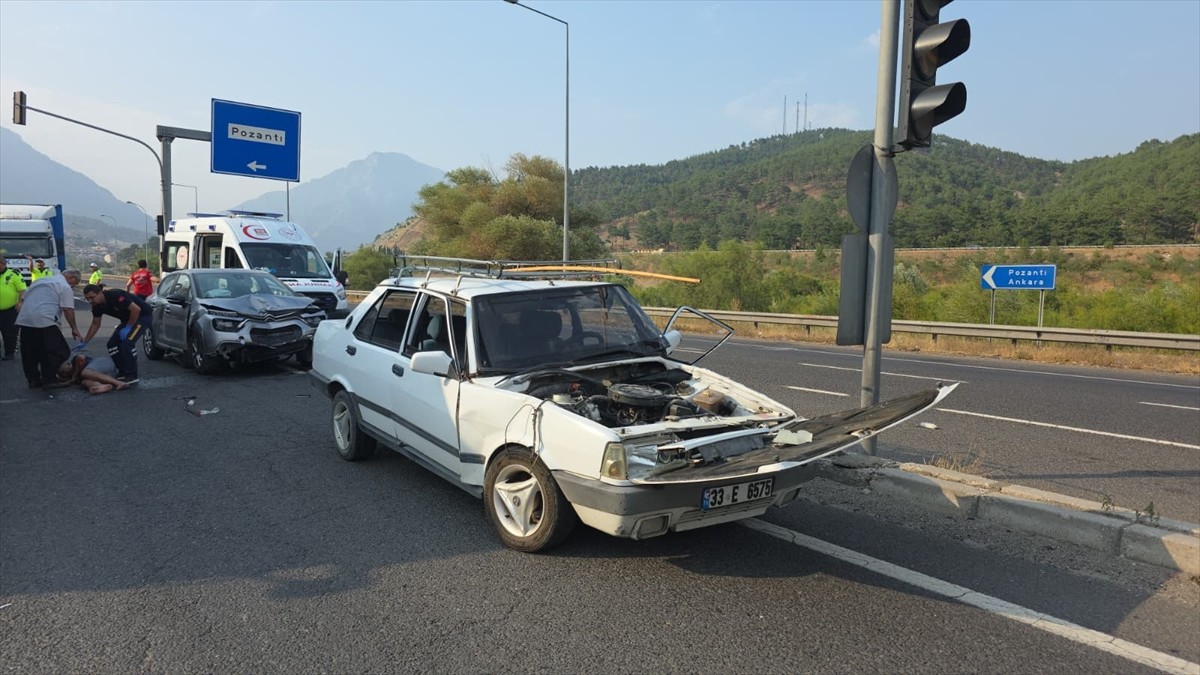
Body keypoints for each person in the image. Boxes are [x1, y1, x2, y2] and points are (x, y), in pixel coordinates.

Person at [15, 269, 83, 388]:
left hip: (25, 319)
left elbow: (23, 298)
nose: (73, 286)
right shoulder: (64, 286)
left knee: (29, 352)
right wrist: (74, 328)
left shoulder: (39, 281)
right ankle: (49, 379)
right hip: (46, 320)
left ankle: (33, 380)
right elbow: (68, 309)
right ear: (72, 278)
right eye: (75, 283)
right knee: (55, 351)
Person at [80, 284, 152, 383]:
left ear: (100, 293)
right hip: (128, 319)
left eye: (92, 297)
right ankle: (123, 372)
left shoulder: (115, 296)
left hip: (142, 317)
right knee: (112, 344)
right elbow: (95, 323)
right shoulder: (96, 306)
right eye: (87, 299)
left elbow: (136, 309)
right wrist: (85, 341)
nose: (90, 301)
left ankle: (132, 375)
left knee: (127, 343)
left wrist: (128, 328)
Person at [56, 353, 130, 394]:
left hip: (103, 364)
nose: (65, 373)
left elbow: (80, 357)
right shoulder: (78, 379)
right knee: (85, 382)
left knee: (85, 372)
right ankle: (102, 386)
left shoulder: (75, 363)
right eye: (63, 374)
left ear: (68, 364)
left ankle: (118, 383)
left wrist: (74, 375)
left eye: (63, 371)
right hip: (107, 376)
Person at [0, 257, 28, 360]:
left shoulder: (14, 274)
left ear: (3, 264)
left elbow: (22, 289)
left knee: (9, 333)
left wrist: (20, 302)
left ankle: (9, 353)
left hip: (9, 310)